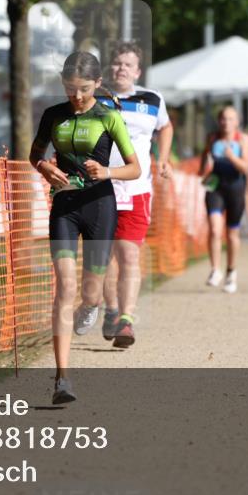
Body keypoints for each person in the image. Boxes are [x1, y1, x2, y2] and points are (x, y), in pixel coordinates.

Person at [30, 51, 140, 404]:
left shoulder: (109, 118)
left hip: (99, 207)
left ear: (98, 84)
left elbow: (135, 168)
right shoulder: (53, 115)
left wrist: (107, 171)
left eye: (84, 88)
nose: (76, 96)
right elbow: (35, 154)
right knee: (64, 287)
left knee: (90, 291)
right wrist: (44, 168)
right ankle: (62, 379)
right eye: (70, 88)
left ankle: (92, 306)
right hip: (64, 206)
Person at [93, 42, 173, 350]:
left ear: (137, 71)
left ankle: (126, 319)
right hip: (98, 190)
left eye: (128, 64)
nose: (121, 68)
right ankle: (111, 309)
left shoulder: (151, 99)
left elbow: (165, 128)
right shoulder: (95, 98)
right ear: (109, 68)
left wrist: (163, 158)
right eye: (116, 63)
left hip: (136, 189)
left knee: (128, 254)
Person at [200, 106, 248, 293]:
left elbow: (246, 168)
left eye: (230, 119)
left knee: (231, 234)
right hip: (215, 187)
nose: (226, 122)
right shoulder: (212, 138)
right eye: (223, 118)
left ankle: (231, 272)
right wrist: (205, 168)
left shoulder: (243, 139)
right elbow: (203, 165)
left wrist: (231, 157)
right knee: (214, 229)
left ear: (237, 122)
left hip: (235, 188)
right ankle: (215, 270)